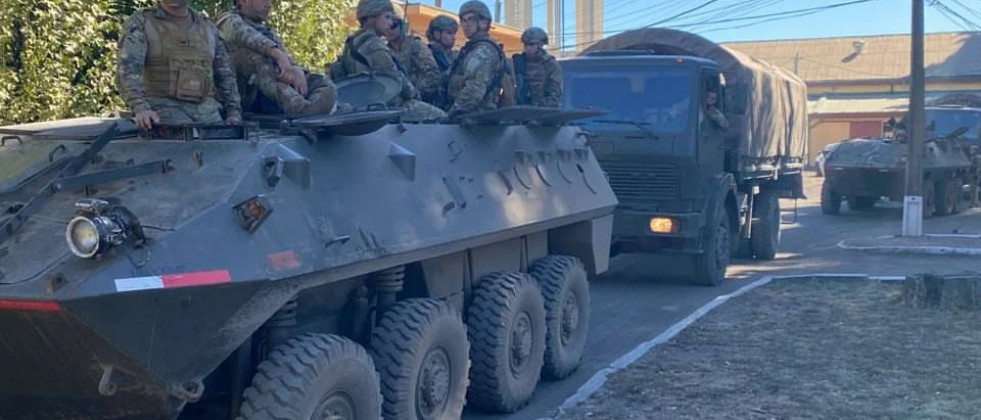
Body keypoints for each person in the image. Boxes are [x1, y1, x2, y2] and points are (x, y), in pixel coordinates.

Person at [116, 0, 242, 131]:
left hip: (207, 113)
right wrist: (141, 108)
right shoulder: (143, 23)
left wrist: (233, 112)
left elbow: (225, 75)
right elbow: (127, 71)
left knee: (222, 144)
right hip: (164, 111)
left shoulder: (207, 27)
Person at [330, 0, 445, 121]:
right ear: (372, 17)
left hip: (363, 104)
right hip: (386, 105)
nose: (390, 23)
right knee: (443, 118)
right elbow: (394, 78)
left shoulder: (352, 42)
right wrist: (414, 94)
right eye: (387, 17)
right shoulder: (374, 45)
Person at [217, 0, 336, 117]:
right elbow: (251, 38)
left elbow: (288, 61)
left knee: (324, 84)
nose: (268, 4)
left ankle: (312, 110)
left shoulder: (266, 31)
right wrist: (278, 55)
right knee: (259, 60)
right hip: (243, 97)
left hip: (268, 93)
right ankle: (302, 111)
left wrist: (297, 71)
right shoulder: (228, 21)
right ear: (244, 1)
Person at [445, 1, 506, 118]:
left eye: (471, 19)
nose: (466, 24)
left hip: (475, 118)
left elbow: (474, 90)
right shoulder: (471, 48)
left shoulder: (483, 50)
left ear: (484, 22)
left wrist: (450, 115)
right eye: (463, 20)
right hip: (468, 116)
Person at [386, 15, 442, 107]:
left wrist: (416, 93)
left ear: (402, 26)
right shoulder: (385, 50)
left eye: (393, 26)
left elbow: (433, 74)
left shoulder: (416, 46)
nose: (389, 30)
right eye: (387, 26)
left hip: (420, 100)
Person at [512, 27, 562, 108]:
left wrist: (538, 105)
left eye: (532, 44)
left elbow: (555, 95)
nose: (529, 48)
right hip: (520, 112)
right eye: (526, 44)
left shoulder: (550, 64)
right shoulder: (518, 62)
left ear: (541, 45)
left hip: (542, 112)